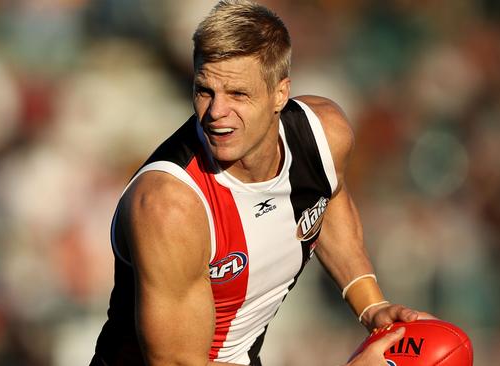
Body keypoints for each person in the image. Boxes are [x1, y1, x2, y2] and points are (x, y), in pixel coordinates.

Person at [91, 1, 427, 365]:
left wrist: (372, 307)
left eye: (238, 94)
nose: (216, 112)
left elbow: (327, 199)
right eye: (205, 90)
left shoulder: (324, 137)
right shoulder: (169, 206)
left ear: (280, 94)